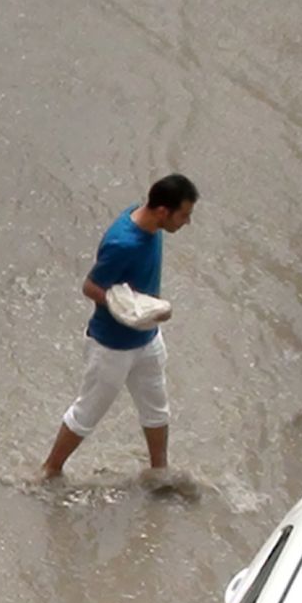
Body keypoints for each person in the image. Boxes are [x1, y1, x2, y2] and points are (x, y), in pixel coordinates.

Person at [39, 174, 198, 480]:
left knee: (157, 408)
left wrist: (145, 314)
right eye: (184, 215)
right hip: (111, 347)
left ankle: (159, 472)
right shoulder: (122, 243)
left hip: (148, 340)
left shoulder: (151, 223)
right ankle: (50, 471)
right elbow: (90, 287)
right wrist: (126, 308)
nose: (187, 222)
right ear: (163, 211)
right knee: (87, 413)